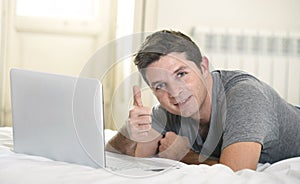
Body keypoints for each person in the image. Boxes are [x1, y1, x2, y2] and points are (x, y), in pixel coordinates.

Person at [105, 29, 300, 171]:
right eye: (160, 85)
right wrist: (129, 130)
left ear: (203, 66)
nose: (175, 92)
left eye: (181, 74)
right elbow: (112, 154)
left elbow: (236, 172)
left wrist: (183, 155)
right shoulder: (170, 109)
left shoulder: (244, 97)